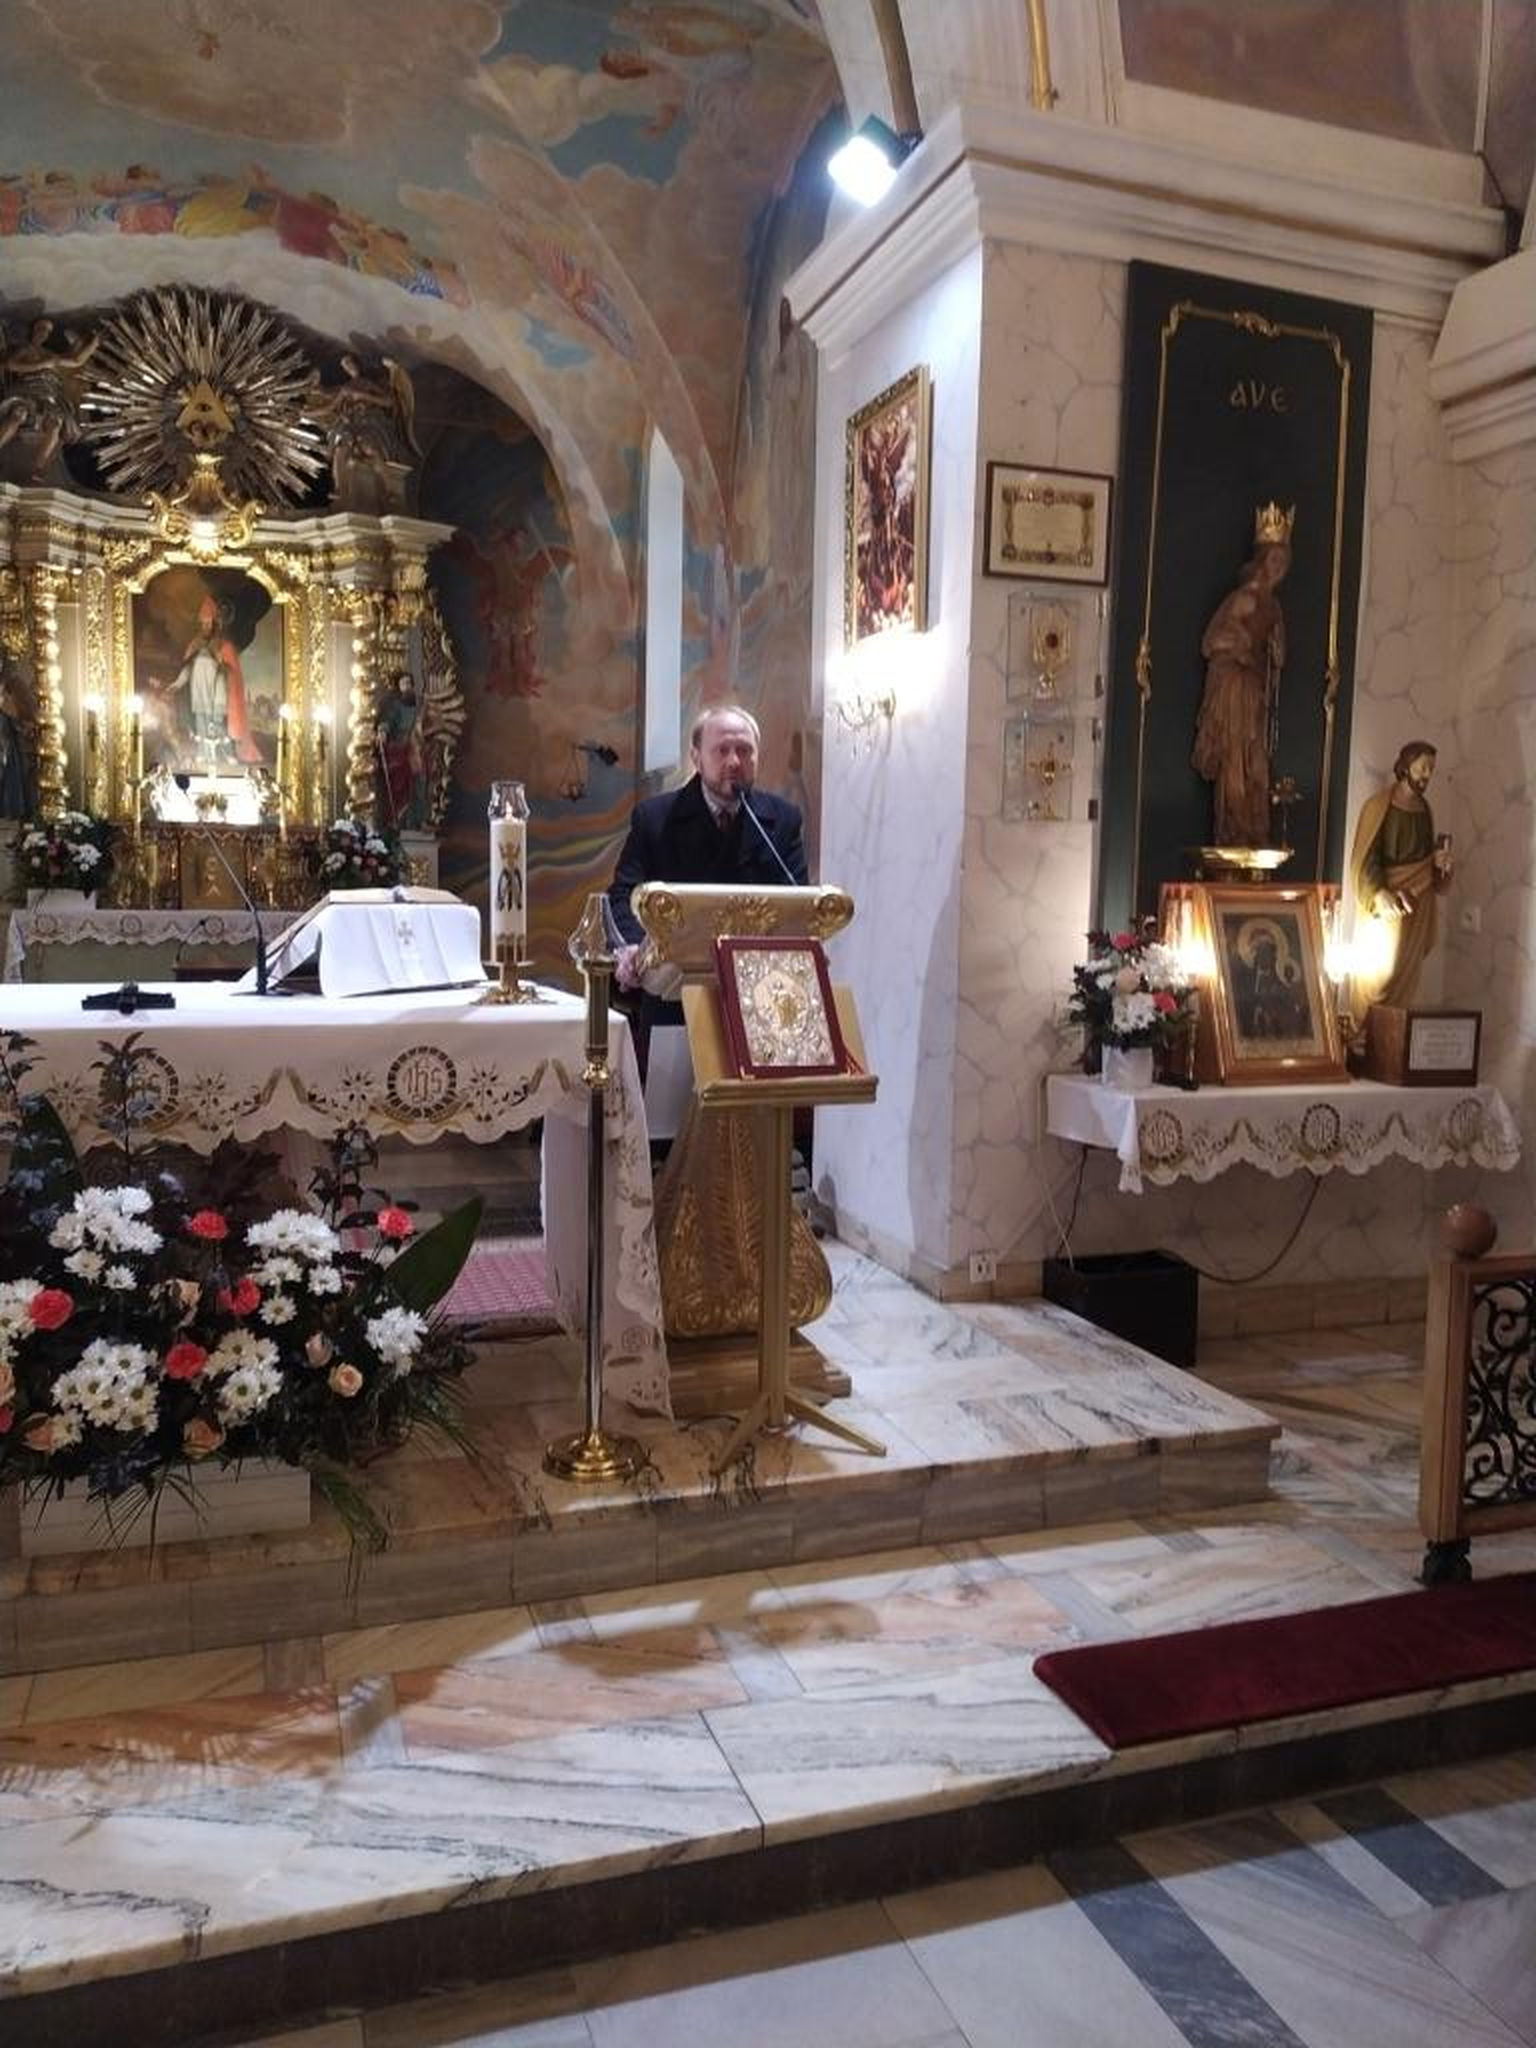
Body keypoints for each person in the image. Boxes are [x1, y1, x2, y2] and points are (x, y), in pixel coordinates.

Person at [609, 705, 807, 1136]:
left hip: (757, 998)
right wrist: (632, 947)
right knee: (674, 1128)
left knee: (750, 1129)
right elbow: (624, 894)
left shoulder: (782, 821)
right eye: (722, 750)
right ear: (696, 757)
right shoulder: (656, 818)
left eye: (745, 751)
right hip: (675, 992)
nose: (735, 761)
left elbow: (796, 903)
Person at [1191, 507, 1293, 847]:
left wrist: (1275, 651)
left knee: (1256, 762)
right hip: (1235, 691)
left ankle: (1254, 830)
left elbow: (1278, 657)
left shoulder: (1274, 607)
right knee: (1236, 758)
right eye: (1274, 560)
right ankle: (1233, 830)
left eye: (1284, 562)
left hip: (1256, 691)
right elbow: (1211, 642)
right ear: (1262, 561)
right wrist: (1243, 647)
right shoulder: (1244, 599)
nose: (1278, 568)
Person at [1349, 739, 1453, 1012]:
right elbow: (1366, 856)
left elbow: (1424, 858)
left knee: (1407, 966)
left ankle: (1395, 1031)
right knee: (1382, 972)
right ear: (1406, 766)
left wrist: (1439, 862)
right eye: (1423, 767)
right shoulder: (1378, 806)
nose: (1427, 775)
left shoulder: (1425, 809)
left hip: (1419, 900)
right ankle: (1365, 1030)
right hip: (1388, 900)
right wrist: (1377, 892)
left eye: (1431, 769)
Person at [167, 592, 262, 768]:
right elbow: (187, 669)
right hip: (198, 691)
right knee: (201, 722)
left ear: (215, 623)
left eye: (208, 622)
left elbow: (231, 670)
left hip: (217, 690)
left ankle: (226, 753)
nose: (206, 626)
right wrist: (177, 684)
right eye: (203, 623)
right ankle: (203, 753)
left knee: (219, 722)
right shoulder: (195, 644)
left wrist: (221, 664)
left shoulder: (222, 644)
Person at [0, 317, 99, 480]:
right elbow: (11, 365)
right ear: (34, 330)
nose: (44, 333)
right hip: (28, 390)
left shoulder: (51, 356)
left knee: (55, 424)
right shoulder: (27, 350)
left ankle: (39, 468)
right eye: (41, 328)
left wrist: (94, 343)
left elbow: (76, 360)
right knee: (18, 415)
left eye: (47, 331)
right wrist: (40, 365)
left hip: (49, 396)